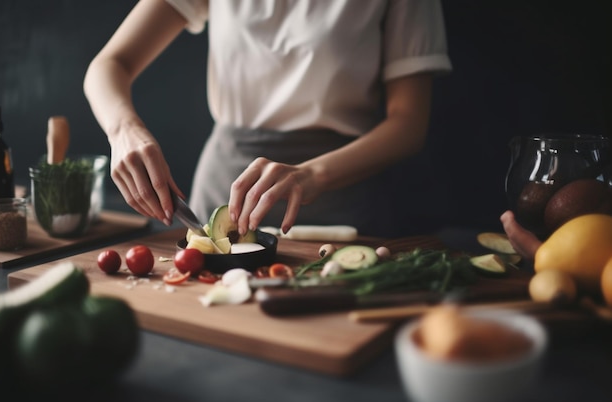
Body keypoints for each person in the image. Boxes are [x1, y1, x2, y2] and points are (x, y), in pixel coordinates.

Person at [84, 0, 452, 238]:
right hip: (218, 193)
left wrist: (311, 174)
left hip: (338, 201)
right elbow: (108, 65)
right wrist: (123, 130)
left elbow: (408, 125)